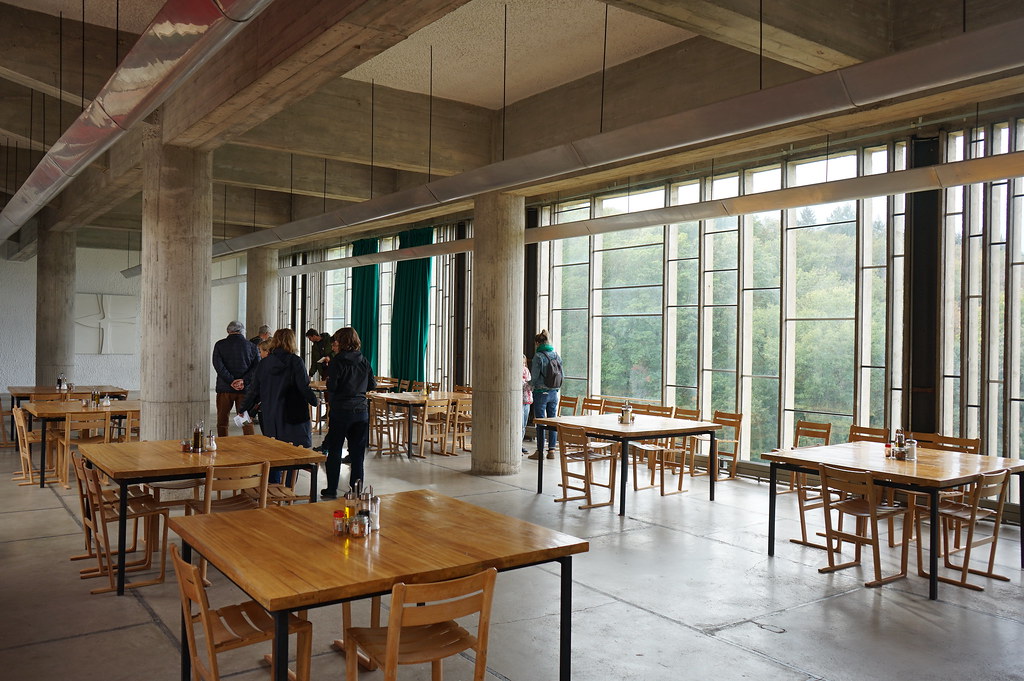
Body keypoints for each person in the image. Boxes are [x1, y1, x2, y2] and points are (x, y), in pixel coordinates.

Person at [240, 329, 318, 483]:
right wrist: (314, 401)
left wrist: (243, 408)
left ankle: (273, 485)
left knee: (272, 451)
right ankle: (288, 488)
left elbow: (254, 390)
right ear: (292, 341)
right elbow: (303, 387)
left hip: (270, 414)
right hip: (292, 413)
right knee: (292, 453)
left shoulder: (264, 363)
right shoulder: (296, 362)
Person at [320, 327, 376, 499]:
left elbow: (333, 387)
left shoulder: (337, 362)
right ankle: (357, 490)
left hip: (341, 411)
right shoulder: (364, 360)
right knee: (357, 454)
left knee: (335, 451)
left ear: (341, 342)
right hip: (360, 411)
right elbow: (372, 385)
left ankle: (331, 490)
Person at [212, 321, 259, 437]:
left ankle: (223, 445)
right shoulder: (251, 346)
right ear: (242, 331)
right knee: (246, 420)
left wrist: (231, 381)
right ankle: (250, 444)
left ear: (228, 331)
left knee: (222, 421)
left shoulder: (220, 345)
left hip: (225, 389)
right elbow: (257, 367)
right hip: (245, 390)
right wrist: (244, 381)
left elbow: (218, 365)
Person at [529, 329, 561, 459]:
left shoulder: (538, 356)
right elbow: (561, 374)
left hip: (541, 393)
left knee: (540, 422)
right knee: (552, 422)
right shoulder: (556, 355)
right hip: (554, 392)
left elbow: (535, 376)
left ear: (537, 343)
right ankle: (552, 451)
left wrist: (529, 386)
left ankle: (540, 451)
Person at [521, 354, 533, 454]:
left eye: (524, 363)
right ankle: (517, 444)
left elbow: (529, 384)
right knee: (519, 424)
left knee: (524, 424)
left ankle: (520, 443)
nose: (523, 365)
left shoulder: (527, 371)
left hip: (527, 400)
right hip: (519, 400)